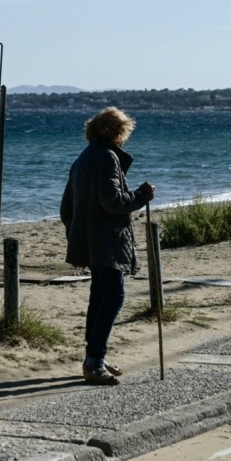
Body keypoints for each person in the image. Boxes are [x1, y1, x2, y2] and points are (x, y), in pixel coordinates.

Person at [59, 106, 155, 385]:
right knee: (113, 296)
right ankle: (94, 360)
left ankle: (94, 356)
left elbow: (66, 207)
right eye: (123, 131)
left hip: (90, 239)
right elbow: (113, 201)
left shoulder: (84, 157)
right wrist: (141, 196)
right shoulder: (106, 157)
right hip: (106, 240)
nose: (124, 136)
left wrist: (78, 233)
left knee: (100, 296)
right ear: (114, 132)